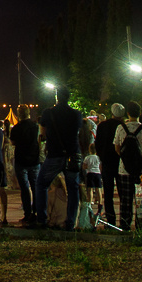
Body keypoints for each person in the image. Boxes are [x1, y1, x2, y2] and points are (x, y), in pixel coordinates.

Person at [36, 87, 86, 231]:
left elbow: (43, 133)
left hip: (54, 154)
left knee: (42, 184)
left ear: (57, 97)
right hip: (72, 154)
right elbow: (77, 132)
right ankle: (70, 222)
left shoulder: (48, 113)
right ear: (69, 98)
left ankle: (42, 219)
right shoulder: (76, 114)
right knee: (73, 188)